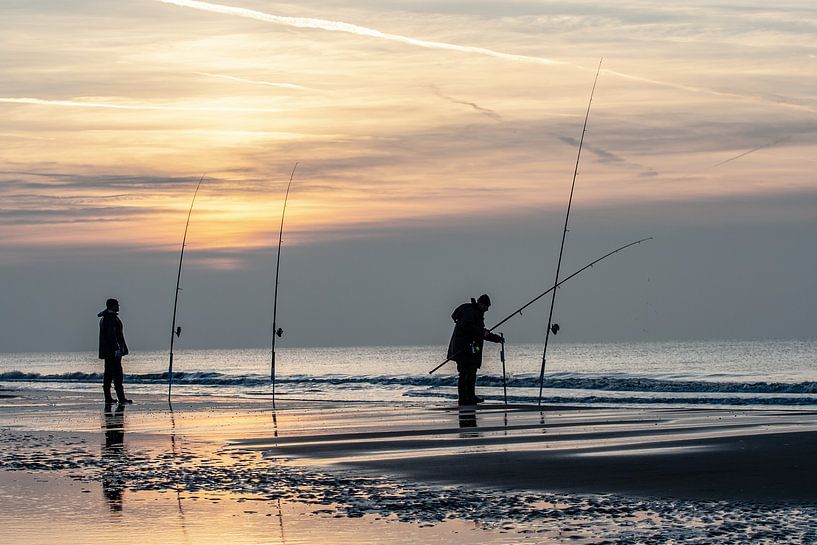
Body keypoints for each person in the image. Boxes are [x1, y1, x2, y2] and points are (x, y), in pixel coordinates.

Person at [447, 294, 503, 405]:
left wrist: (496, 339)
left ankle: (470, 396)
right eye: (486, 306)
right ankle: (463, 398)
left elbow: (479, 331)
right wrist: (483, 332)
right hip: (463, 349)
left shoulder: (476, 313)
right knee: (464, 373)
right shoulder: (469, 312)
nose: (487, 309)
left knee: (472, 372)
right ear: (481, 304)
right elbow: (468, 327)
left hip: (470, 350)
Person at [98, 298, 132, 405]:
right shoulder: (110, 319)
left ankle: (109, 398)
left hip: (108, 352)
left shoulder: (106, 317)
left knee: (108, 374)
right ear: (112, 306)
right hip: (112, 352)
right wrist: (117, 349)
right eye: (117, 305)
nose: (118, 307)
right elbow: (112, 336)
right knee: (117, 374)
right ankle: (121, 398)